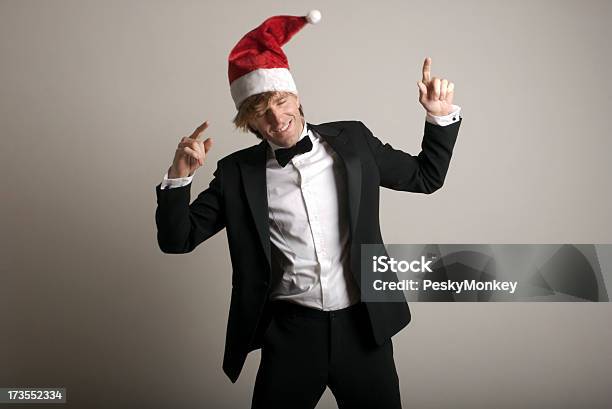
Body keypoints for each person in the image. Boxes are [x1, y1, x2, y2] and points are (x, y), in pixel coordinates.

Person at [155, 10, 462, 409]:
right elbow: (177, 240)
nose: (276, 118)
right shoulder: (236, 174)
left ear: (296, 96)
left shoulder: (353, 141)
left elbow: (426, 177)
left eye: (281, 101)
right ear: (249, 123)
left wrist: (438, 117)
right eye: (260, 113)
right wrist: (178, 178)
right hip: (292, 335)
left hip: (363, 327)